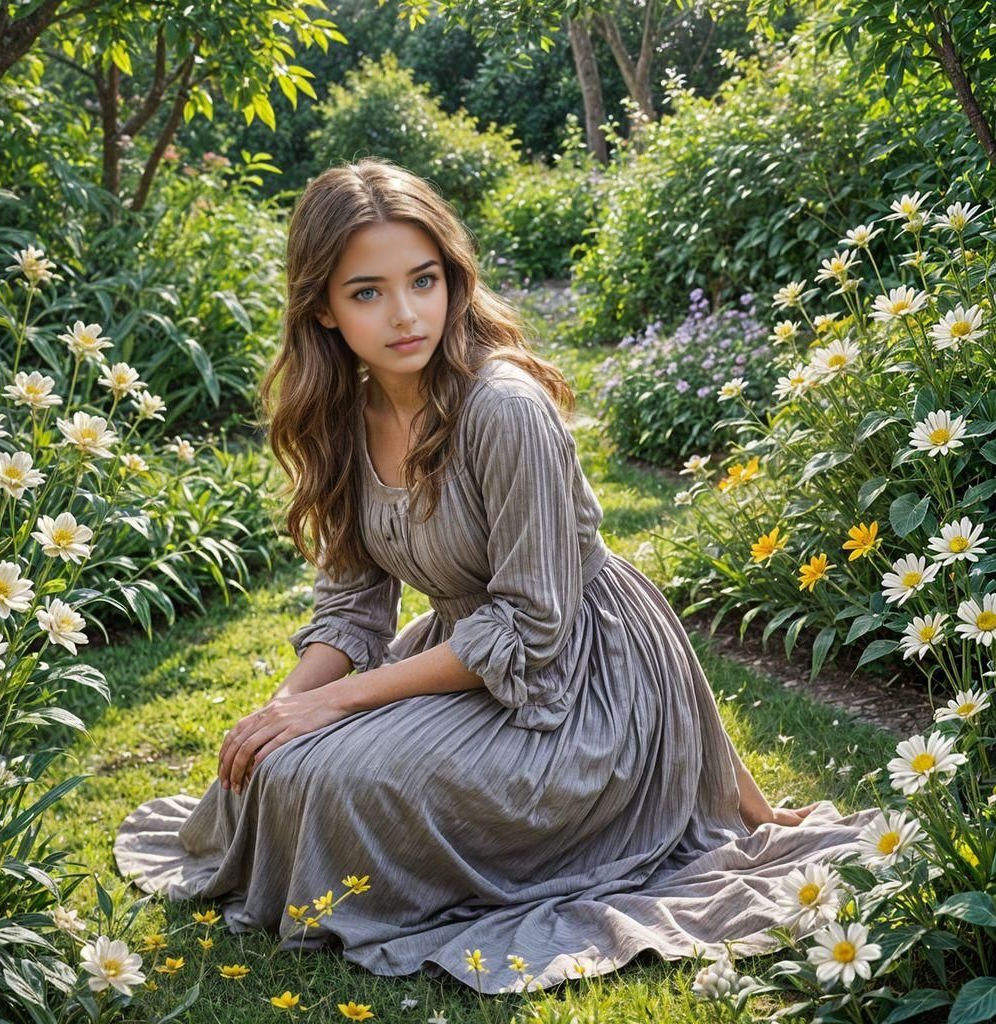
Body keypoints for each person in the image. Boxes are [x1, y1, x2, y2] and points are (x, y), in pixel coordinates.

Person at [114, 157, 879, 993]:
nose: (405, 314)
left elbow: (533, 624)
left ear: (452, 278)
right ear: (324, 312)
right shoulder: (344, 416)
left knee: (336, 778)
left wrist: (333, 704)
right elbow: (351, 609)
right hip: (465, 652)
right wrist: (287, 707)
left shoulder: (504, 409)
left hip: (581, 688)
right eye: (366, 292)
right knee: (273, 763)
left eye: (423, 280)